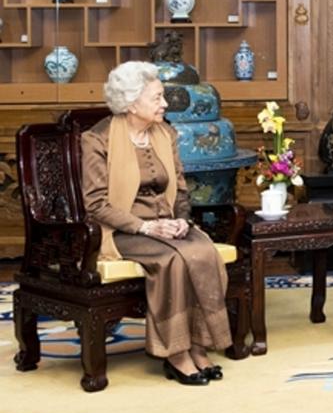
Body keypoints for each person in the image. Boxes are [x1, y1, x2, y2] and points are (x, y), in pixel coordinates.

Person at [81, 61, 230, 386]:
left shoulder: (165, 133)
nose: (165, 104)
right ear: (132, 103)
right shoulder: (97, 139)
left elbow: (181, 189)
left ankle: (199, 345)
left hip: (166, 223)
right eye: (157, 98)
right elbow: (95, 204)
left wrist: (181, 220)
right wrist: (145, 227)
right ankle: (175, 354)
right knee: (172, 260)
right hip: (124, 231)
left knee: (205, 252)